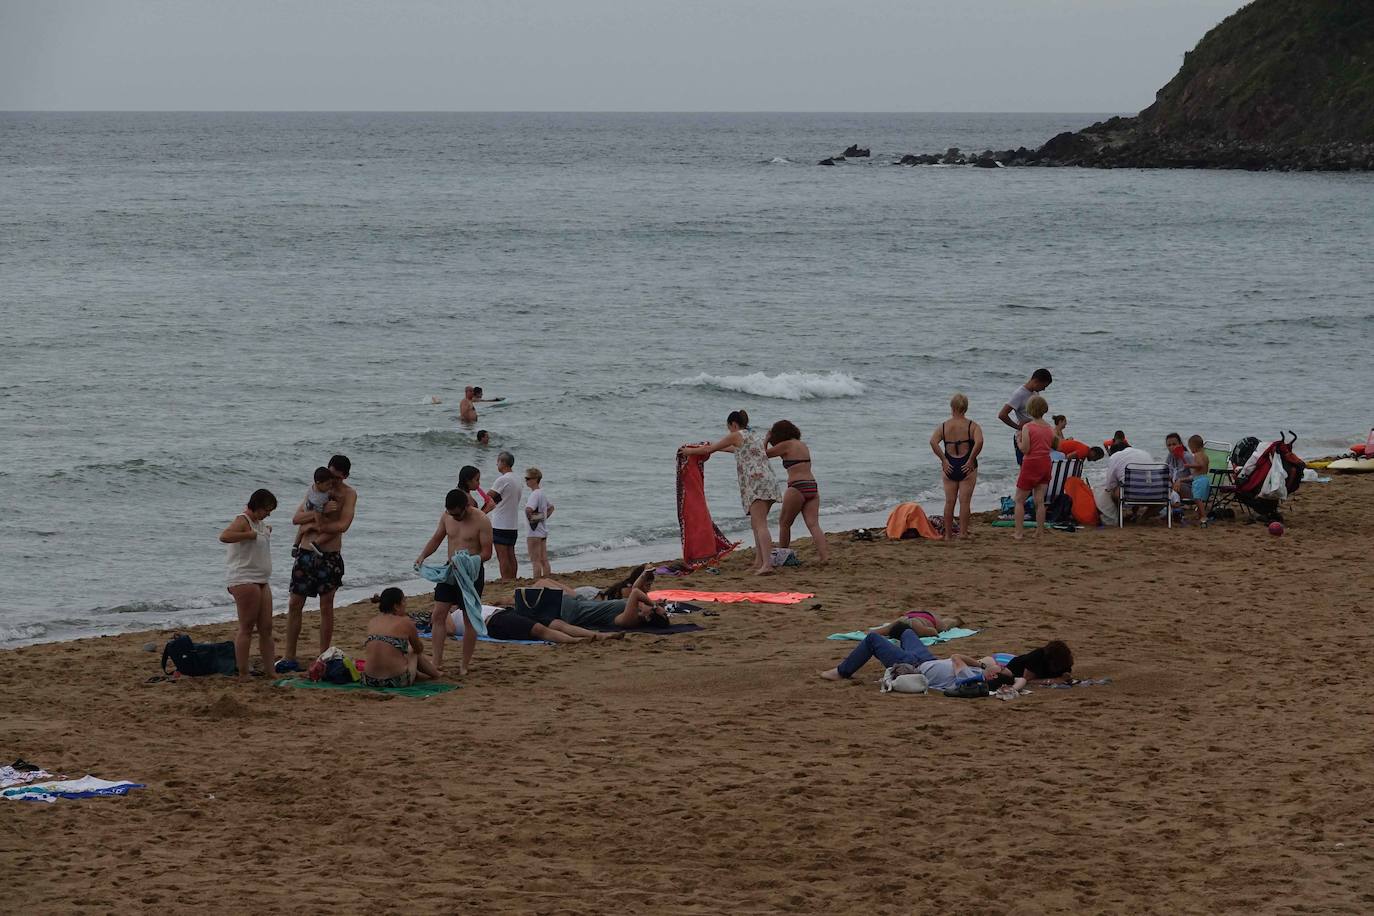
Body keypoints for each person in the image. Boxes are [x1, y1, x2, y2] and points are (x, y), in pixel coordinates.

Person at [280, 455, 356, 672]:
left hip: (328, 555)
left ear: (345, 476)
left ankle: (323, 657)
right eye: (330, 477)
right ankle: (289, 656)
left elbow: (343, 525)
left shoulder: (349, 494)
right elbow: (296, 518)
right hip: (305, 552)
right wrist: (317, 514)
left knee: (326, 606)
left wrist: (318, 528)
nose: (333, 482)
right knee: (295, 603)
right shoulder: (315, 489)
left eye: (337, 479)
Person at [682, 409, 781, 576]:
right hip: (768, 481)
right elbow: (733, 450)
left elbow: (710, 449)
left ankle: (767, 565)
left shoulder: (737, 435)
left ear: (733, 424)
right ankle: (760, 561)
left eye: (729, 428)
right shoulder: (753, 435)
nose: (729, 431)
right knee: (756, 523)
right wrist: (715, 448)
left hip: (755, 482)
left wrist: (689, 452)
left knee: (761, 525)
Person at [414, 489, 492, 675]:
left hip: (470, 572)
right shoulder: (447, 517)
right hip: (450, 571)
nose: (454, 517)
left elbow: (487, 553)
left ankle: (464, 665)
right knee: (438, 614)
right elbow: (437, 538)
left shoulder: (481, 520)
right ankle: (437, 661)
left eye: (457, 514)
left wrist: (470, 561)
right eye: (451, 513)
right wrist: (422, 556)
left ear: (466, 507)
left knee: (469, 618)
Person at [820, 630, 1013, 690]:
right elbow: (1013, 678)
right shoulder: (981, 673)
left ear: (994, 674)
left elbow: (956, 656)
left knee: (872, 639)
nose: (997, 664)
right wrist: (986, 666)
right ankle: (891, 644)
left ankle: (842, 671)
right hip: (927, 659)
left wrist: (982, 666)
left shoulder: (970, 676)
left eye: (999, 668)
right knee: (906, 632)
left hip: (914, 666)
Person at [220, 489, 278, 682]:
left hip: (262, 578)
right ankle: (243, 672)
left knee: (266, 627)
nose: (269, 513)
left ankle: (270, 671)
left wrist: (263, 531)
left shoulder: (260, 524)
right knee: (247, 627)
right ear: (258, 506)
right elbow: (225, 536)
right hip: (244, 578)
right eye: (267, 509)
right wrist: (249, 535)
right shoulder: (243, 519)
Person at [765, 420, 829, 564]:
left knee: (784, 523)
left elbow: (762, 455)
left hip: (797, 487)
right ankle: (824, 556)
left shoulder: (786, 444)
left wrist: (766, 439)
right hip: (812, 486)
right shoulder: (802, 445)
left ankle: (783, 556)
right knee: (813, 524)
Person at [529, 569, 673, 629]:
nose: (662, 609)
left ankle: (512, 601)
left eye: (662, 612)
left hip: (574, 611)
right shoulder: (638, 609)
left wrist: (654, 605)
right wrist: (644, 574)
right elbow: (636, 588)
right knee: (543, 582)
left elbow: (635, 592)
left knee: (539, 586)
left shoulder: (631, 619)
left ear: (649, 617)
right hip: (581, 603)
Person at [929, 393, 983, 541]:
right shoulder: (972, 426)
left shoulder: (944, 426)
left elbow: (933, 442)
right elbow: (979, 442)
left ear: (952, 407)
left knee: (949, 501)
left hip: (950, 466)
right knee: (965, 502)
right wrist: (971, 459)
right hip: (967, 465)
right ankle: (963, 533)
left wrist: (944, 460)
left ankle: (947, 535)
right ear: (965, 408)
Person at [361, 588, 439, 688]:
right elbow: (418, 649)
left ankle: (424, 673)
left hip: (369, 680)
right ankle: (436, 674)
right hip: (396, 682)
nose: (406, 604)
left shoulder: (373, 621)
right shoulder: (406, 622)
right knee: (412, 651)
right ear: (396, 606)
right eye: (404, 601)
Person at [1012, 395, 1056, 539]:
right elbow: (1054, 446)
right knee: (1040, 500)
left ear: (1030, 410)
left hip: (1031, 463)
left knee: (1019, 499)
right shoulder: (1050, 428)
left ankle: (1018, 533)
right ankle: (1040, 531)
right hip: (1045, 463)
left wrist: (1019, 440)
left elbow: (1025, 449)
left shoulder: (1028, 427)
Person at [998, 368, 1052, 465]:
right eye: (1044, 386)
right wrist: (1018, 427)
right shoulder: (1019, 394)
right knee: (1025, 467)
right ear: (1036, 381)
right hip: (1023, 437)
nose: (1044, 389)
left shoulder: (1035, 392)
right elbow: (1002, 415)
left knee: (1037, 466)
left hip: (1035, 434)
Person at [1095, 439, 1155, 523]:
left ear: (1113, 452)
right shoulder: (1145, 453)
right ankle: (1143, 517)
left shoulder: (1115, 456)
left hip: (1129, 494)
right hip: (1154, 494)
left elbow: (1110, 485)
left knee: (1113, 491)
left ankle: (1119, 516)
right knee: (1138, 484)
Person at [486, 451, 523, 580]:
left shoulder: (503, 479)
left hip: (500, 523)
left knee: (502, 556)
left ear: (503, 462)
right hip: (512, 523)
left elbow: (488, 496)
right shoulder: (517, 479)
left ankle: (506, 579)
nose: (496, 464)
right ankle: (512, 578)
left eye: (498, 461)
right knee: (511, 553)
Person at [980, 640, 1074, 691]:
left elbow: (1066, 674)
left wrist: (1066, 677)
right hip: (1015, 671)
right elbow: (1028, 680)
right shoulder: (1037, 657)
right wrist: (1053, 680)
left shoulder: (1064, 660)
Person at [291, 466, 338, 557]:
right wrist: (319, 526)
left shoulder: (314, 487)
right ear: (318, 483)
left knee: (301, 529)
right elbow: (318, 513)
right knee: (334, 528)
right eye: (327, 485)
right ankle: (315, 544)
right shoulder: (319, 499)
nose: (330, 486)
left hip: (307, 508)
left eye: (331, 484)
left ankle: (295, 545)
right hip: (315, 511)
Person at [524, 467, 554, 578]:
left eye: (528, 478)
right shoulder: (542, 493)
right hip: (542, 531)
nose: (526, 481)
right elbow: (551, 507)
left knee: (535, 561)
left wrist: (533, 521)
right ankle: (547, 581)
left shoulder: (534, 494)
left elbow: (528, 510)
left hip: (533, 533)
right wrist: (542, 518)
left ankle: (537, 583)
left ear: (535, 479)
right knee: (544, 560)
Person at [1176, 435, 1211, 519]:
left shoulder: (1197, 455)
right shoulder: (1205, 455)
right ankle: (1200, 515)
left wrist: (1189, 465)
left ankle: (1203, 516)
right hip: (1205, 478)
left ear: (1194, 447)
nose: (1191, 450)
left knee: (1197, 499)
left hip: (1199, 480)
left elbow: (1200, 465)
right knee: (1199, 499)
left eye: (1191, 448)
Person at [867, 609, 966, 639]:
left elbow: (934, 632)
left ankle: (956, 620)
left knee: (945, 627)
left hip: (929, 618)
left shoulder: (918, 629)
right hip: (911, 615)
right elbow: (871, 633)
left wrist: (924, 633)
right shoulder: (891, 627)